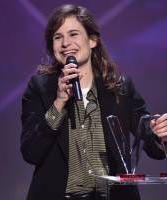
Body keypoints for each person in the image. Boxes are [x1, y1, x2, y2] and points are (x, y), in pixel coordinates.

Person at [20, 4, 167, 200]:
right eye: (58, 37)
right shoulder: (40, 88)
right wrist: (59, 102)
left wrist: (159, 133)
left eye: (73, 34)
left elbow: (146, 132)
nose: (65, 43)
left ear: (92, 40)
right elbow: (31, 152)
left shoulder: (120, 87)